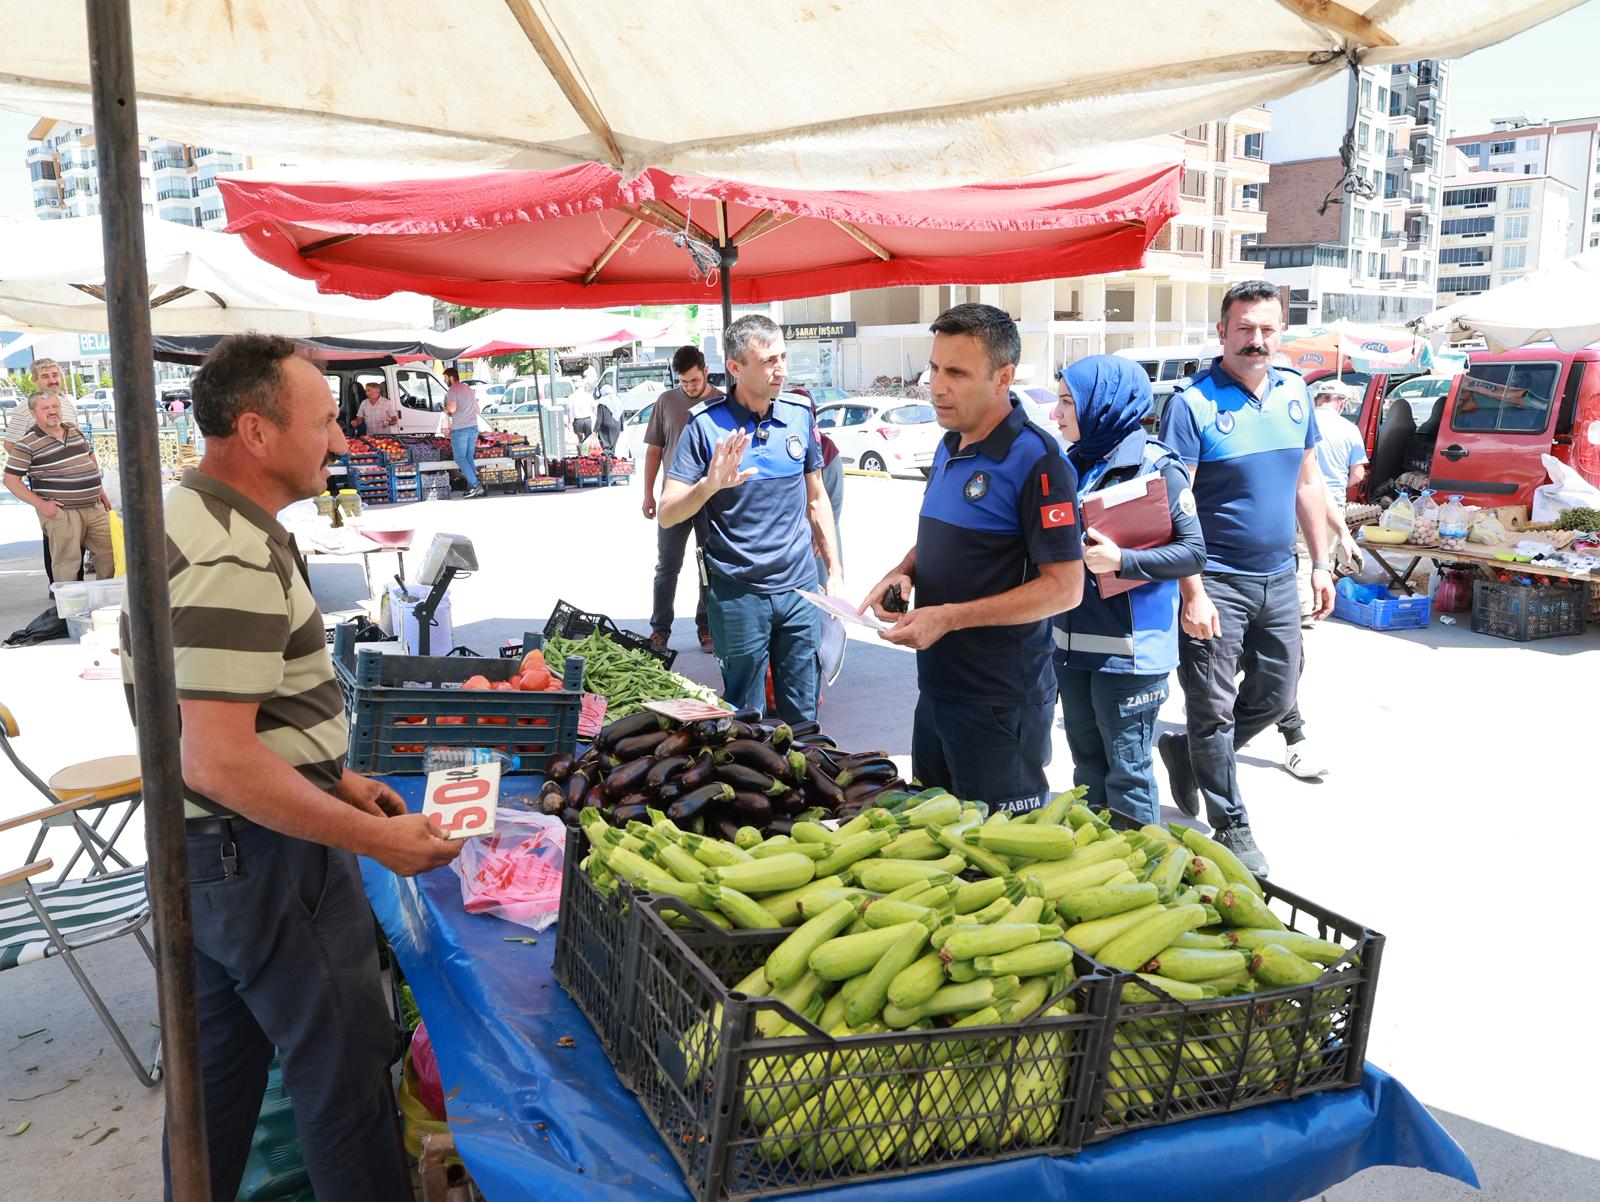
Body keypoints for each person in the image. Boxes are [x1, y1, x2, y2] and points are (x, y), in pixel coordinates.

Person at [119, 333, 462, 1202]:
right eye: (321, 423)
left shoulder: (189, 515)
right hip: (264, 857)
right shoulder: (231, 552)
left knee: (214, 1086)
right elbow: (218, 760)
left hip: (206, 857)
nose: (341, 440)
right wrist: (370, 840)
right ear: (256, 431)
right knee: (344, 1078)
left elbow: (216, 714)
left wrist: (333, 777)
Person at [861, 304, 1084, 813]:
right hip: (937, 688)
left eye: (957, 373)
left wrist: (949, 617)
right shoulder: (949, 445)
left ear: (1003, 377)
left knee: (995, 849)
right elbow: (946, 537)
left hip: (999, 702)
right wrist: (904, 571)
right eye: (935, 368)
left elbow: (1065, 588)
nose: (936, 387)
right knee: (932, 836)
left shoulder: (1038, 461)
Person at [1155, 280, 1336, 877]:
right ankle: (1231, 822)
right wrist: (1192, 590)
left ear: (1281, 332)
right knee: (1212, 707)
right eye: (1244, 329)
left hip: (1279, 576)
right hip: (1217, 580)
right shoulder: (1192, 404)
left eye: (1267, 329)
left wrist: (1322, 563)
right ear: (1222, 332)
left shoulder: (1295, 391)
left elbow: (1308, 482)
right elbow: (1174, 505)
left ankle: (1191, 756)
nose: (1256, 340)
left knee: (1279, 693)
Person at [659, 315, 843, 722]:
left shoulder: (799, 413)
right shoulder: (704, 425)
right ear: (735, 367)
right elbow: (668, 513)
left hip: (800, 591)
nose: (780, 369)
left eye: (783, 357)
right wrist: (709, 486)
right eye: (768, 361)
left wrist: (835, 572)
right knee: (745, 717)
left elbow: (817, 499)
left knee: (805, 713)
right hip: (737, 594)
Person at [1050, 356, 1205, 826]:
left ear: (1102, 404)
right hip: (1070, 650)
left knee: (1128, 775)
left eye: (1066, 402)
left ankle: (1145, 867)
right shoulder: (1070, 464)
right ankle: (1096, 861)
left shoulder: (1157, 466)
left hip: (1130, 656)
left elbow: (1193, 552)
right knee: (1087, 771)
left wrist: (1123, 560)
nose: (1056, 414)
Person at [1266, 378, 1370, 780]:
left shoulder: (1292, 432)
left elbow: (1313, 486)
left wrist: (1332, 551)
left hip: (1277, 568)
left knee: (1288, 658)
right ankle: (1202, 744)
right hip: (1224, 573)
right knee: (1228, 674)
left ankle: (1294, 738)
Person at [642, 345, 721, 653]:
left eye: (694, 380)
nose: (689, 387)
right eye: (683, 382)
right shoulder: (666, 401)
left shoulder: (721, 401)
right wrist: (648, 494)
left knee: (709, 565)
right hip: (674, 498)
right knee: (667, 566)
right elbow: (654, 450)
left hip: (711, 499)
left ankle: (707, 626)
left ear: (706, 372)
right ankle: (659, 630)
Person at [4, 391, 115, 588]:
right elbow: (10, 480)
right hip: (62, 512)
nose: (52, 411)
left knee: (111, 554)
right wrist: (41, 505)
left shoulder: (73, 430)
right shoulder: (26, 444)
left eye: (55, 406)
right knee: (67, 565)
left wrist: (100, 490)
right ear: (33, 413)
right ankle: (69, 607)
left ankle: (106, 600)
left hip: (94, 507)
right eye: (45, 408)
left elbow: (89, 457)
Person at [5, 359, 82, 592]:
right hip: (49, 484)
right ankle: (58, 590)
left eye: (55, 375)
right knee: (56, 535)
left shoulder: (66, 404)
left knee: (78, 535)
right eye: (45, 376)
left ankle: (78, 588)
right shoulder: (25, 409)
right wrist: (37, 464)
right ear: (35, 380)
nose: (52, 380)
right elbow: (10, 443)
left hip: (76, 484)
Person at [442, 366, 484, 498]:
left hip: (461, 429)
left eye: (445, 378)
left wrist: (446, 409)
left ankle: (475, 485)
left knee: (460, 458)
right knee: (468, 457)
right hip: (473, 428)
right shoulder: (468, 388)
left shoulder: (453, 389)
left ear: (451, 378)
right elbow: (478, 410)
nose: (444, 381)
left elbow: (452, 409)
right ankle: (474, 486)